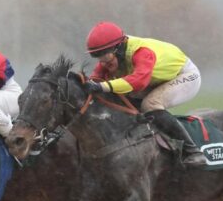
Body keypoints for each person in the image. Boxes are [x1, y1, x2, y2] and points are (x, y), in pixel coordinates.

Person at [83, 21, 207, 167]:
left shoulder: (142, 52)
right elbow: (95, 80)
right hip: (154, 79)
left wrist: (103, 86)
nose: (103, 62)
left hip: (184, 75)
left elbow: (138, 82)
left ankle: (192, 151)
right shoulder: (111, 54)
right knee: (117, 99)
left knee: (150, 105)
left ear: (118, 48)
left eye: (105, 57)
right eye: (98, 57)